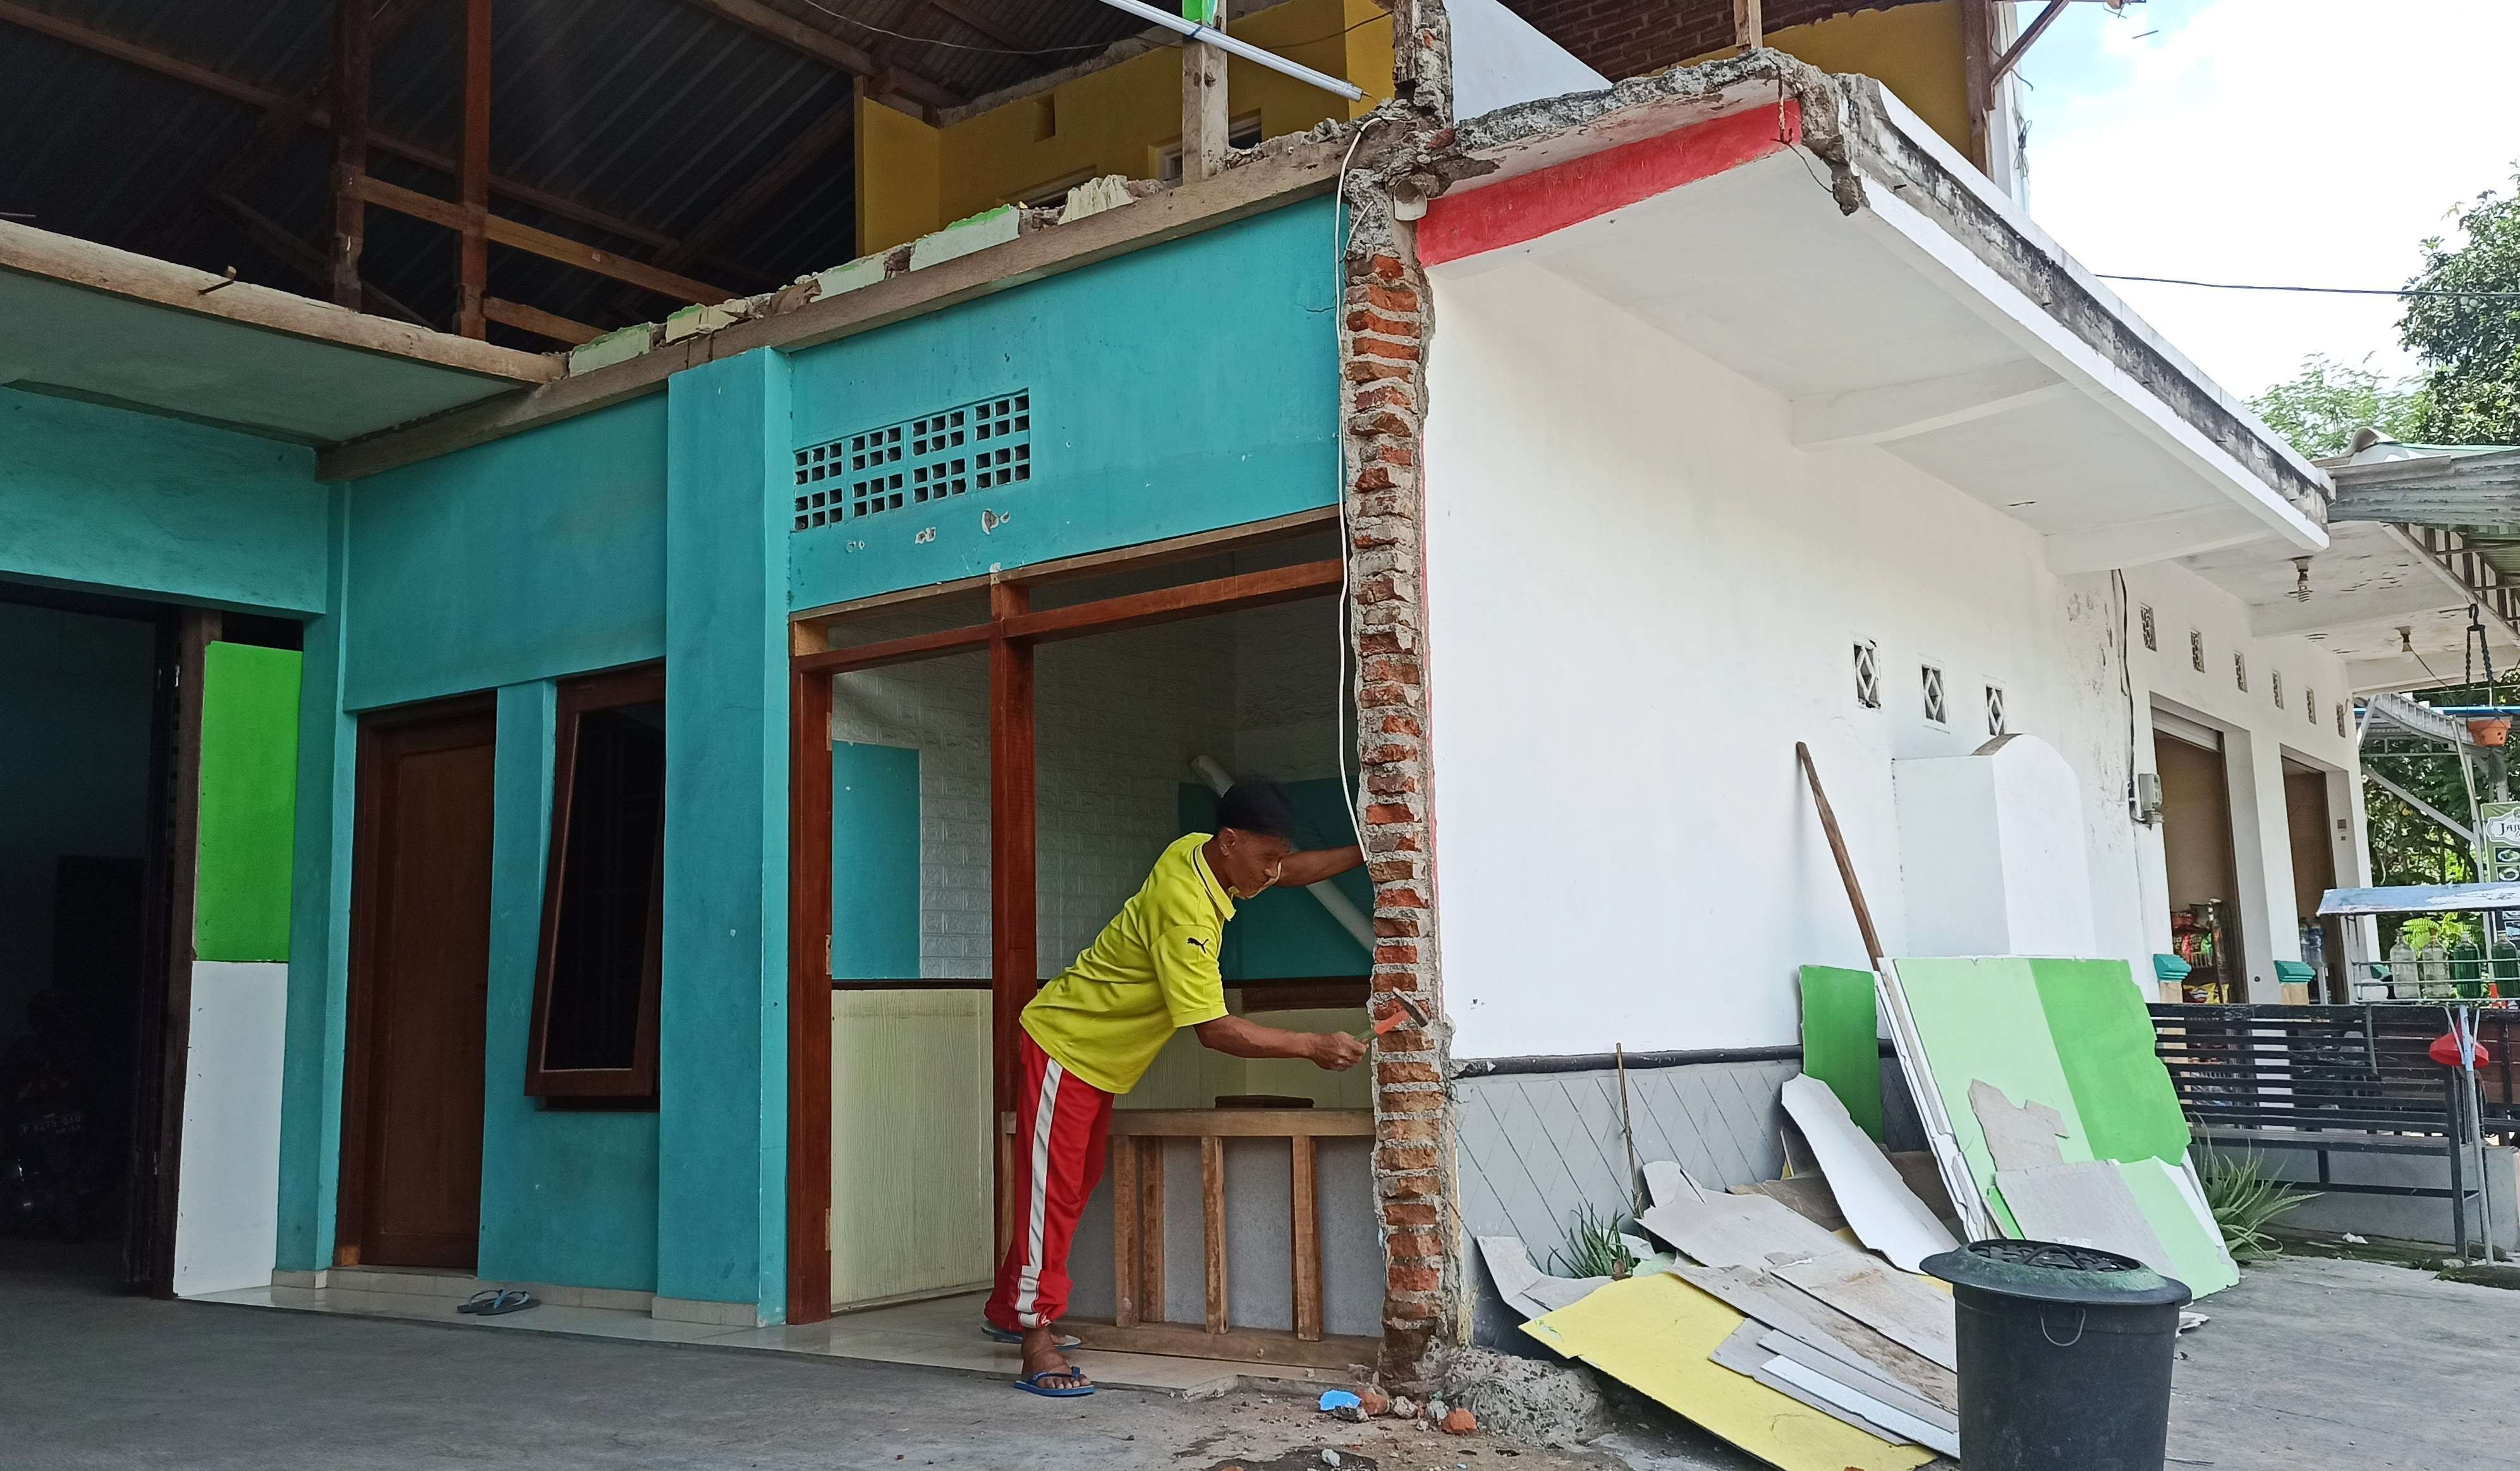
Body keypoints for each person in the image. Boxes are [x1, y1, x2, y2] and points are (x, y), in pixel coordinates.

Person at [987, 781, 1369, 1396]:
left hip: (1100, 1058)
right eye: (1264, 857)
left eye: (1276, 855)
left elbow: (1294, 871)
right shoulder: (1186, 909)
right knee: (1051, 1194)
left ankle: (1011, 1309)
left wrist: (1366, 851)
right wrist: (1312, 1045)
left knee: (1071, 1183)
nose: (1272, 869)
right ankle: (1035, 1338)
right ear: (1231, 842)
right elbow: (1214, 1032)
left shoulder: (1203, 853)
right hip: (1068, 1045)